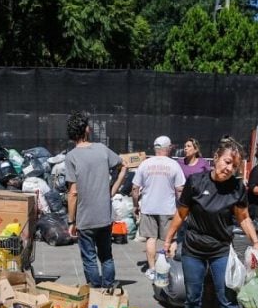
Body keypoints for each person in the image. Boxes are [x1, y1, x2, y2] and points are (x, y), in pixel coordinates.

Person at [163, 139, 258, 308]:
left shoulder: (237, 187)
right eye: (226, 162)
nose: (228, 168)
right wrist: (169, 238)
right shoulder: (195, 182)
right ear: (216, 158)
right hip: (193, 249)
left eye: (234, 166)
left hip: (220, 250)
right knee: (193, 297)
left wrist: (256, 242)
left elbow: (244, 217)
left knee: (227, 298)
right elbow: (182, 213)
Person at [65, 111, 121, 288]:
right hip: (104, 215)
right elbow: (123, 166)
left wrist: (71, 221)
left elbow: (73, 193)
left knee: (89, 258)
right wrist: (112, 191)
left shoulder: (71, 157)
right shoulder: (102, 149)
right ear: (86, 130)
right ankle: (109, 288)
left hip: (85, 218)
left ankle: (96, 291)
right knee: (106, 255)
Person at [132, 135, 184, 278]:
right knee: (171, 239)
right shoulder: (174, 165)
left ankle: (153, 269)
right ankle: (171, 269)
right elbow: (180, 189)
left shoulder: (145, 164)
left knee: (151, 238)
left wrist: (135, 205)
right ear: (168, 148)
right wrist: (181, 208)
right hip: (168, 208)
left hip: (149, 207)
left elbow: (135, 189)